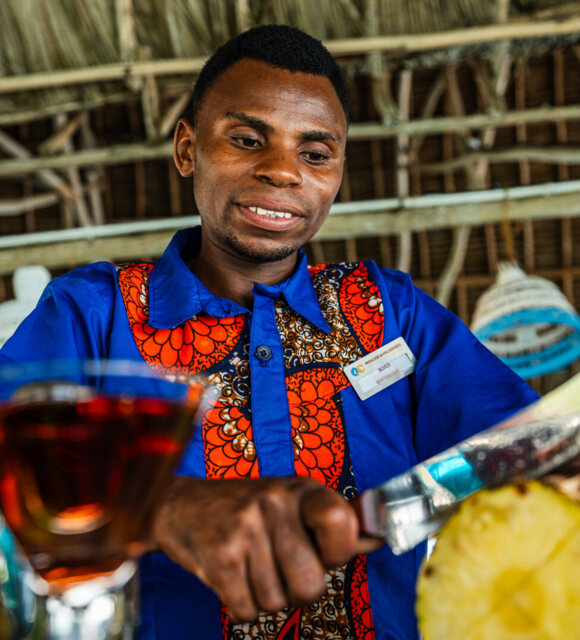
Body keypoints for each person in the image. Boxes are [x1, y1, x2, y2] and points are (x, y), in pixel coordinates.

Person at [0, 24, 538, 640]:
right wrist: (162, 506)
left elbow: (528, 449)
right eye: (248, 139)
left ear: (337, 171)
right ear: (187, 149)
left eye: (315, 154)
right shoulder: (95, 314)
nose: (283, 172)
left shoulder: (389, 311)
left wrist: (389, 516)